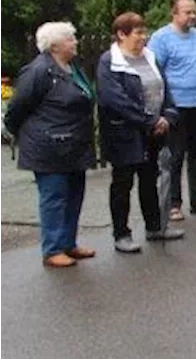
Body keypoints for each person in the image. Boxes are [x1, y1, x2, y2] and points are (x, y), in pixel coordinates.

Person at [4, 22, 96, 267]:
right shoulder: (38, 71)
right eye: (70, 39)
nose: (75, 42)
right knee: (54, 196)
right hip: (48, 146)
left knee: (75, 194)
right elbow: (16, 109)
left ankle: (68, 243)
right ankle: (52, 248)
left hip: (74, 144)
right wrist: (26, 135)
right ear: (54, 45)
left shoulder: (72, 68)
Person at [96, 13, 186, 253]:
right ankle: (121, 234)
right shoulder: (109, 62)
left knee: (149, 180)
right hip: (124, 134)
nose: (144, 37)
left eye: (144, 31)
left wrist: (168, 116)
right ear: (121, 34)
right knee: (122, 184)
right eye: (138, 32)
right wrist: (149, 120)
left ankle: (155, 227)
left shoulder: (150, 56)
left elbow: (164, 88)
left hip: (154, 131)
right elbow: (114, 100)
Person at [149, 0, 196, 220]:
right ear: (175, 13)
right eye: (188, 12)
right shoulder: (161, 38)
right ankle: (173, 204)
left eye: (194, 11)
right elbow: (155, 70)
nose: (193, 16)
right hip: (177, 106)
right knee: (175, 155)